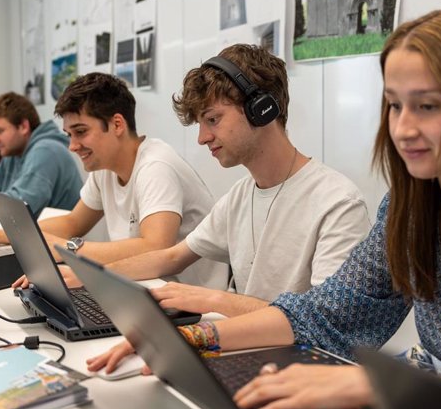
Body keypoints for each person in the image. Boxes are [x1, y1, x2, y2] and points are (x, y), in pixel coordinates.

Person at [88, 9, 441, 409]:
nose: (403, 128)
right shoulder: (411, 212)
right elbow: (324, 315)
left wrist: (379, 385)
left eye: (427, 106)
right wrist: (188, 340)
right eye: (393, 105)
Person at [90, 44, 371, 317]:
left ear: (261, 110)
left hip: (303, 359)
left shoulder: (337, 203)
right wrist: (88, 277)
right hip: (251, 347)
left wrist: (213, 299)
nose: (202, 138)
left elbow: (324, 320)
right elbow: (172, 257)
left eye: (213, 119)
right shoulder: (240, 196)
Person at [0, 72, 228, 288]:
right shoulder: (104, 168)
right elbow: (72, 222)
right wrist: (2, 235)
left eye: (81, 132)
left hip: (190, 308)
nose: (73, 146)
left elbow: (155, 247)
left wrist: (68, 249)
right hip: (141, 287)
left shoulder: (155, 166)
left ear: (117, 124)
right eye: (69, 134)